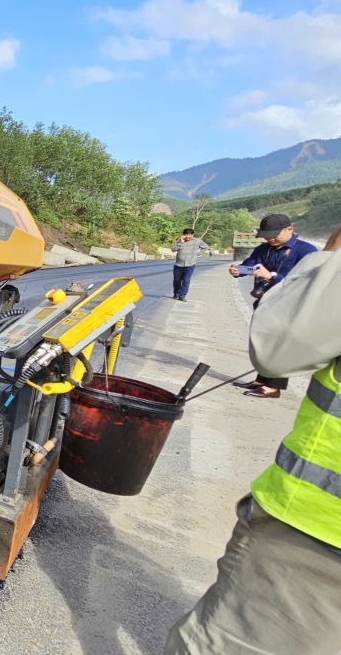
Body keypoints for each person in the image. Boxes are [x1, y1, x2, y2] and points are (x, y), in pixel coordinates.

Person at [165, 222, 341, 655]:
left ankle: (270, 384)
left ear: (292, 231)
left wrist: (331, 262)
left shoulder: (307, 256)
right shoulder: (265, 249)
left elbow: (281, 345)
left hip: (312, 532)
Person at [229, 214, 319, 399]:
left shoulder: (307, 251)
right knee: (263, 343)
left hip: (291, 305)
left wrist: (272, 277)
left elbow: (309, 279)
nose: (270, 238)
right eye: (266, 235)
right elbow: (250, 265)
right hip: (265, 302)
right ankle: (261, 380)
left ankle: (273, 387)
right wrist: (239, 270)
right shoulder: (264, 249)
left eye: (274, 235)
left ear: (290, 230)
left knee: (281, 345)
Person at [171, 228, 210, 301]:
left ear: (192, 235)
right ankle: (176, 293)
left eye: (189, 235)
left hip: (190, 264)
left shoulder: (197, 241)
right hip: (179, 264)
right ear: (183, 235)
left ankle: (182, 296)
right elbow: (173, 249)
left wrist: (198, 254)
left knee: (186, 280)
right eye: (186, 235)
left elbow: (206, 247)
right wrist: (181, 242)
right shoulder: (179, 240)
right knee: (177, 280)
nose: (188, 236)